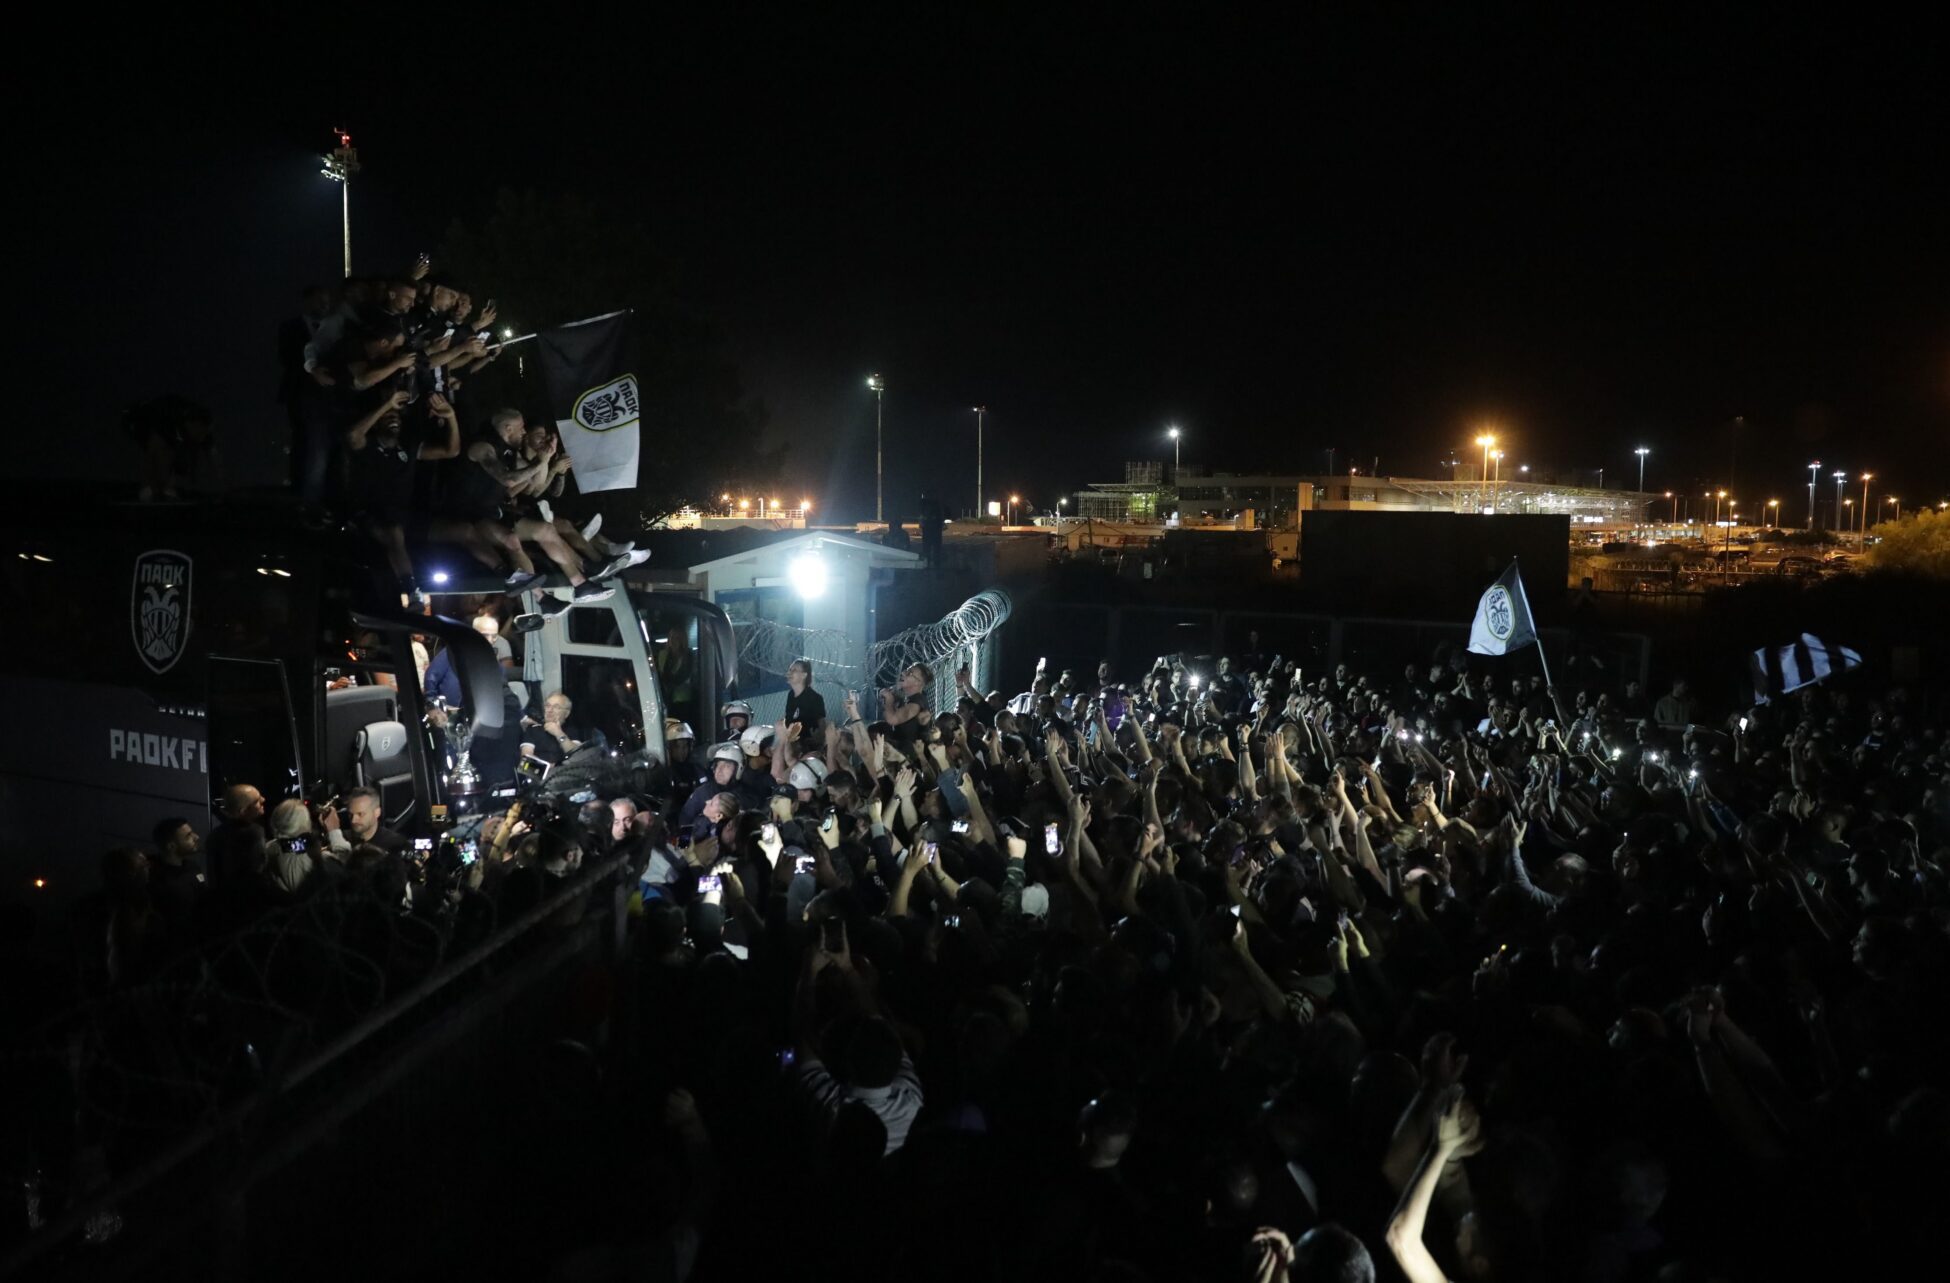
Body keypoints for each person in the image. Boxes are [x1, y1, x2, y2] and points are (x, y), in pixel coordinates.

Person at [343, 786, 408, 855]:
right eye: (350, 814)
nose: (353, 820)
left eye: (360, 814)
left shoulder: (395, 844)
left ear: (377, 813)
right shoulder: (343, 839)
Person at [783, 658, 826, 738]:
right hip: (792, 740)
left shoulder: (815, 698)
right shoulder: (791, 695)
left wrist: (819, 738)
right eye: (790, 669)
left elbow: (821, 724)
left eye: (794, 670)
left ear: (804, 675)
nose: (789, 672)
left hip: (807, 742)